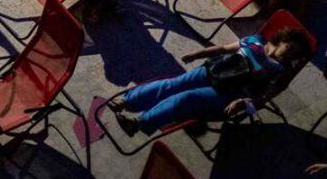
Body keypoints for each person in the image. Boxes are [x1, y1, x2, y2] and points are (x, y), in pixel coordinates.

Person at [109, 27, 313, 135]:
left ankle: (138, 124)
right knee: (172, 85)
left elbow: (261, 97)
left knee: (185, 98)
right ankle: (127, 102)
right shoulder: (256, 41)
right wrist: (198, 54)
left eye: (295, 54)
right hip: (212, 71)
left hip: (228, 94)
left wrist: (242, 103)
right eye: (290, 48)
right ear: (282, 40)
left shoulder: (277, 71)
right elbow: (224, 49)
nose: (290, 55)